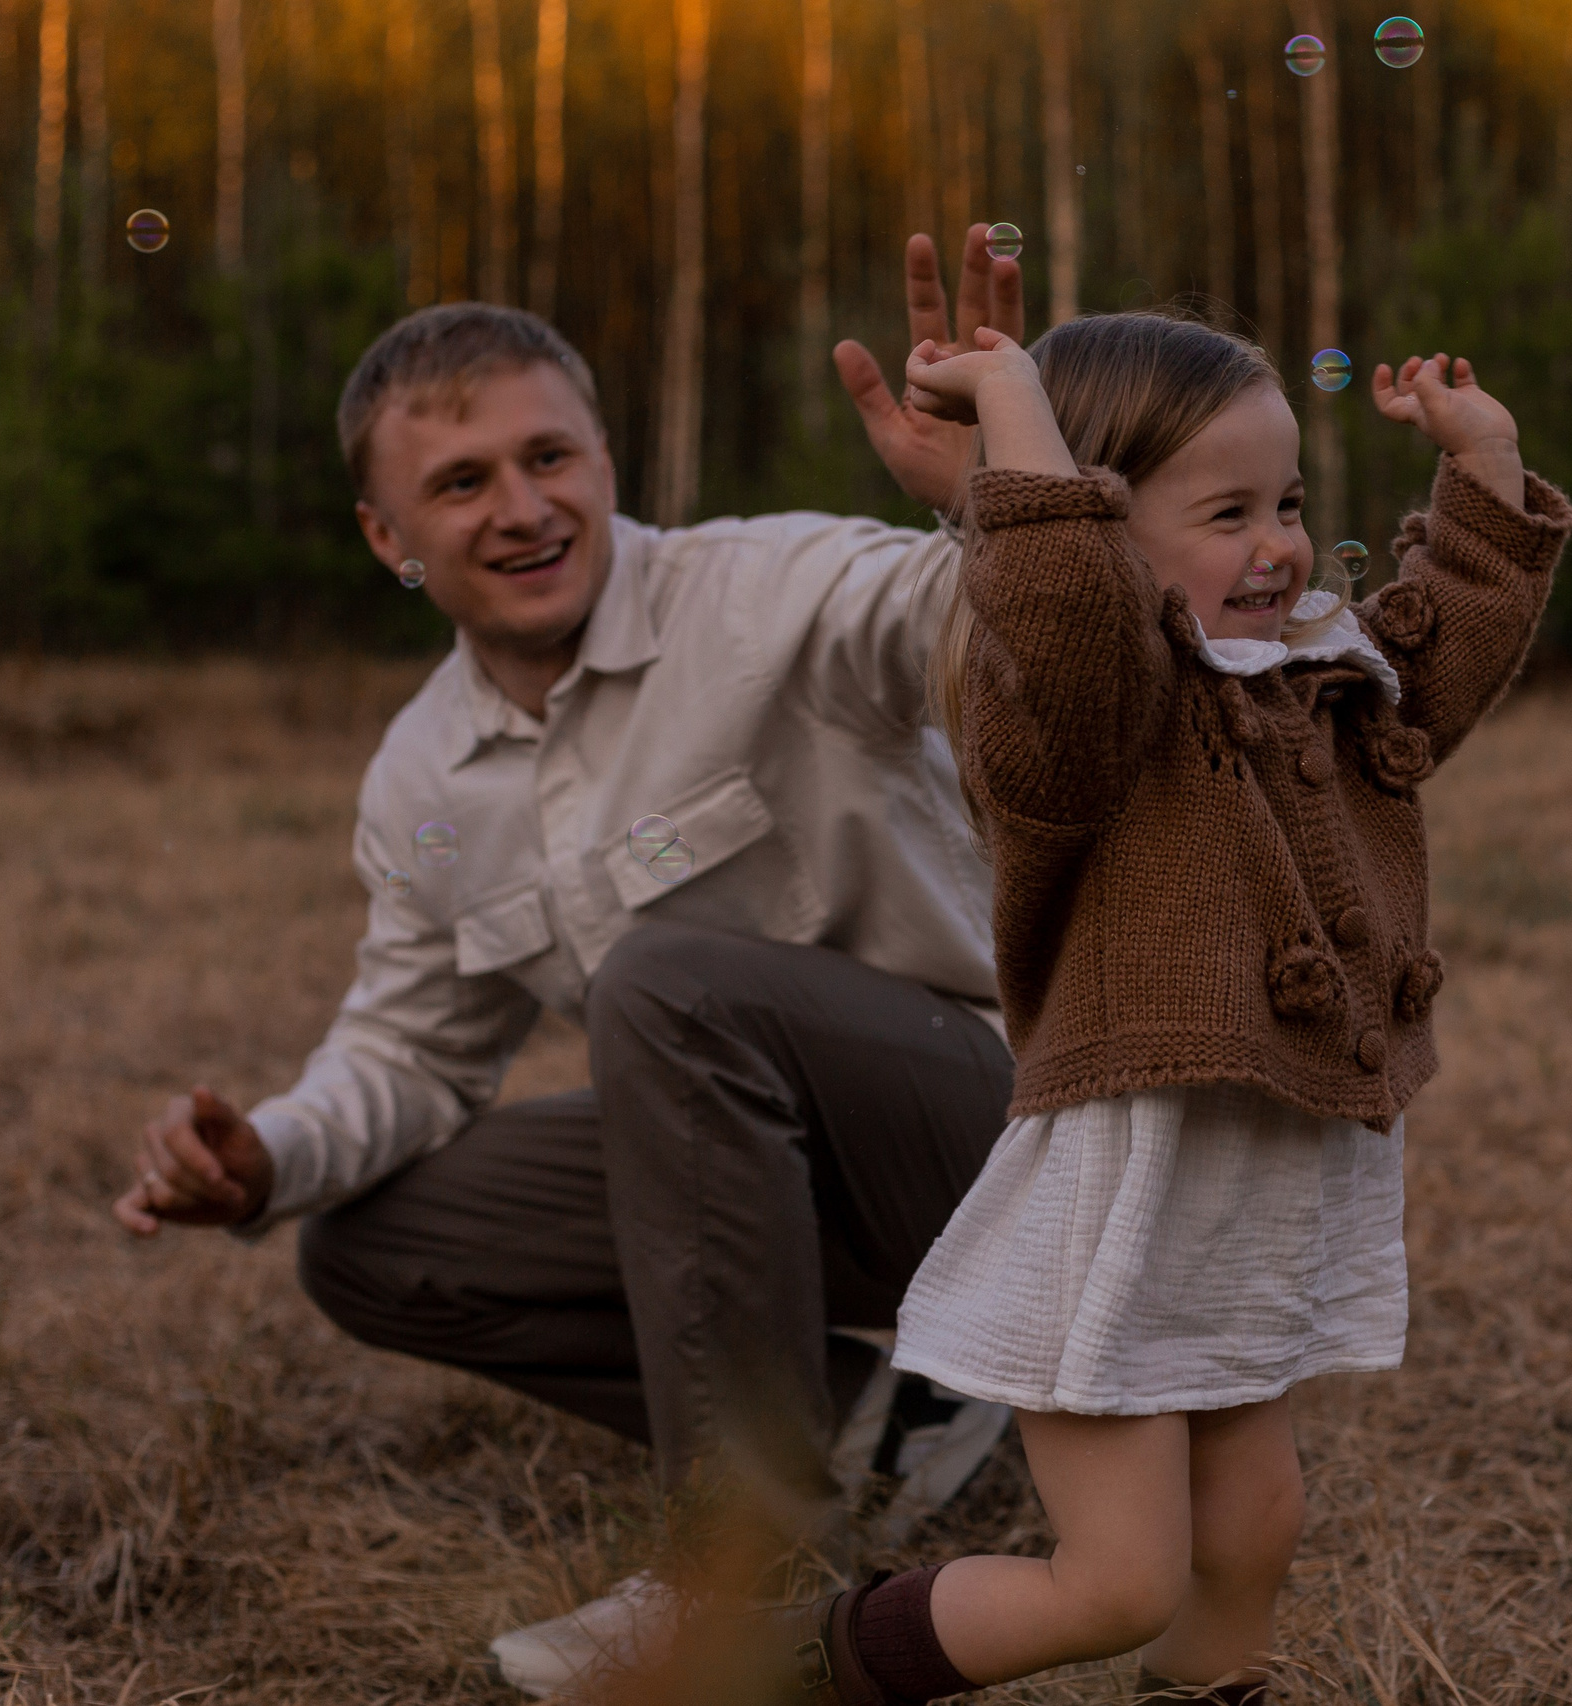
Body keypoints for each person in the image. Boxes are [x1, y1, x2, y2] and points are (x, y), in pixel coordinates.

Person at [111, 229, 1032, 1696]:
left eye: (550, 457)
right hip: (755, 1187)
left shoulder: (769, 593)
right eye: (462, 482)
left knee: (666, 986)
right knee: (367, 1243)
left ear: (606, 459)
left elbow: (986, 631)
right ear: (389, 538)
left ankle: (746, 1577)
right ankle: (907, 1427)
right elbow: (410, 1048)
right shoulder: (422, 773)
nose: (524, 508)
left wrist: (1002, 502)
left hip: (999, 1143)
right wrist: (266, 1154)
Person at [747, 313, 1572, 1703]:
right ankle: (786, 1667)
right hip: (1124, 1203)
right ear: (1098, 529)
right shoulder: (1076, 720)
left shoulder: (1314, 678)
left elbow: (1443, 658)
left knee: (1255, 1529)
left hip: (1249, 1201)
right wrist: (1016, 422)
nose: (1281, 546)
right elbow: (1066, 613)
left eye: (1289, 504)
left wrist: (1484, 469)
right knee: (1119, 1582)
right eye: (1227, 513)